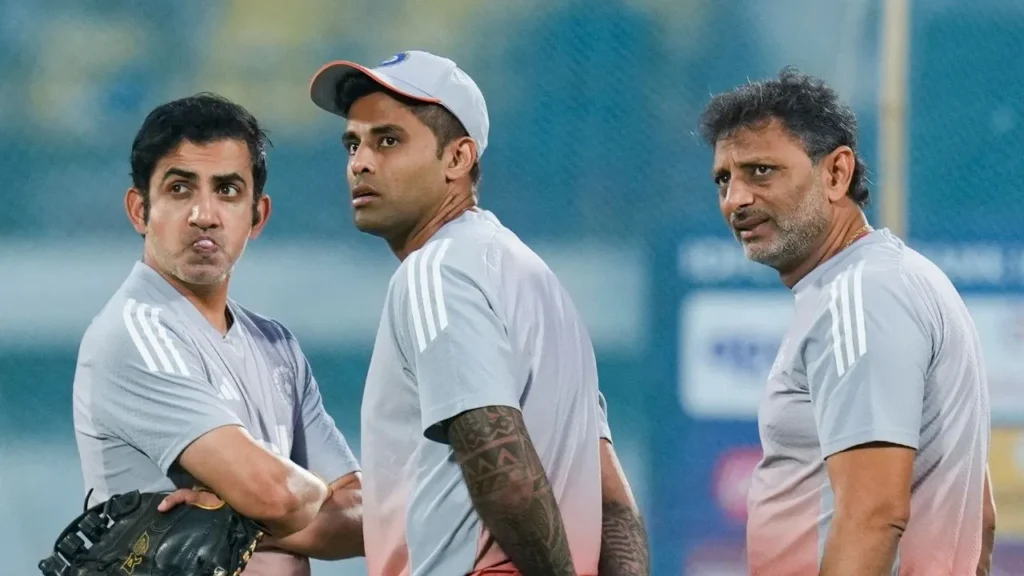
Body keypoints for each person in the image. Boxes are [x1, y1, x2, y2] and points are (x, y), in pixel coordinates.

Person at [307, 50, 650, 576]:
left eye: (388, 140)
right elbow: (614, 503)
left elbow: (502, 468)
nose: (361, 163)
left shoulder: (436, 271)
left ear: (457, 158)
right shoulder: (539, 284)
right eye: (353, 144)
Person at [697, 67, 995, 575]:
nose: (735, 199)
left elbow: (873, 516)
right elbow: (980, 520)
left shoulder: (859, 295)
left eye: (761, 171)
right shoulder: (887, 281)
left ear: (836, 173)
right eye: (724, 179)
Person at [71, 93, 364, 576]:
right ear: (140, 210)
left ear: (257, 216)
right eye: (180, 189)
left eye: (227, 190)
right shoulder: (135, 333)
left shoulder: (276, 345)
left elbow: (364, 515)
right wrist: (293, 499)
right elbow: (275, 495)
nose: (204, 214)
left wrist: (228, 518)